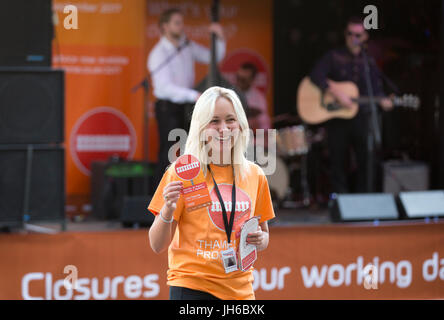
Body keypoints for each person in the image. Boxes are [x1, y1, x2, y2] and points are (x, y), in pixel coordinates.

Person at [147, 86, 275, 300]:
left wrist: (261, 240)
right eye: (214, 121)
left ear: (241, 125)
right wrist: (167, 209)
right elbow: (157, 245)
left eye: (230, 119)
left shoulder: (255, 174)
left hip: (241, 291)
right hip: (192, 287)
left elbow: (264, 234)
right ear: (200, 128)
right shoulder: (183, 172)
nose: (224, 129)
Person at [309, 16, 393, 194]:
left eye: (358, 34)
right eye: (350, 34)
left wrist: (383, 101)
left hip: (361, 117)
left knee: (366, 158)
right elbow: (316, 75)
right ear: (345, 35)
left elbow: (376, 89)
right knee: (338, 159)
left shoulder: (369, 62)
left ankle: (362, 199)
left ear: (365, 37)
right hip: (338, 118)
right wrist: (335, 92)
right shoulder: (334, 56)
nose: (354, 38)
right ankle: (340, 199)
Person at [148, 8, 226, 186]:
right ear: (165, 27)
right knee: (169, 152)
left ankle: (185, 195)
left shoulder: (187, 46)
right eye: (176, 23)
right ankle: (159, 198)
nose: (181, 27)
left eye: (182, 23)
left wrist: (219, 38)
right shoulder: (158, 53)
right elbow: (165, 88)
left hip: (187, 105)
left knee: (187, 151)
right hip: (168, 107)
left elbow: (212, 57)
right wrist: (194, 95)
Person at [235, 62, 271, 132]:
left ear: (252, 80)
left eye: (243, 80)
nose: (239, 82)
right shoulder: (229, 94)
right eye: (238, 78)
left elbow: (266, 125)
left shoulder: (259, 98)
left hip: (253, 138)